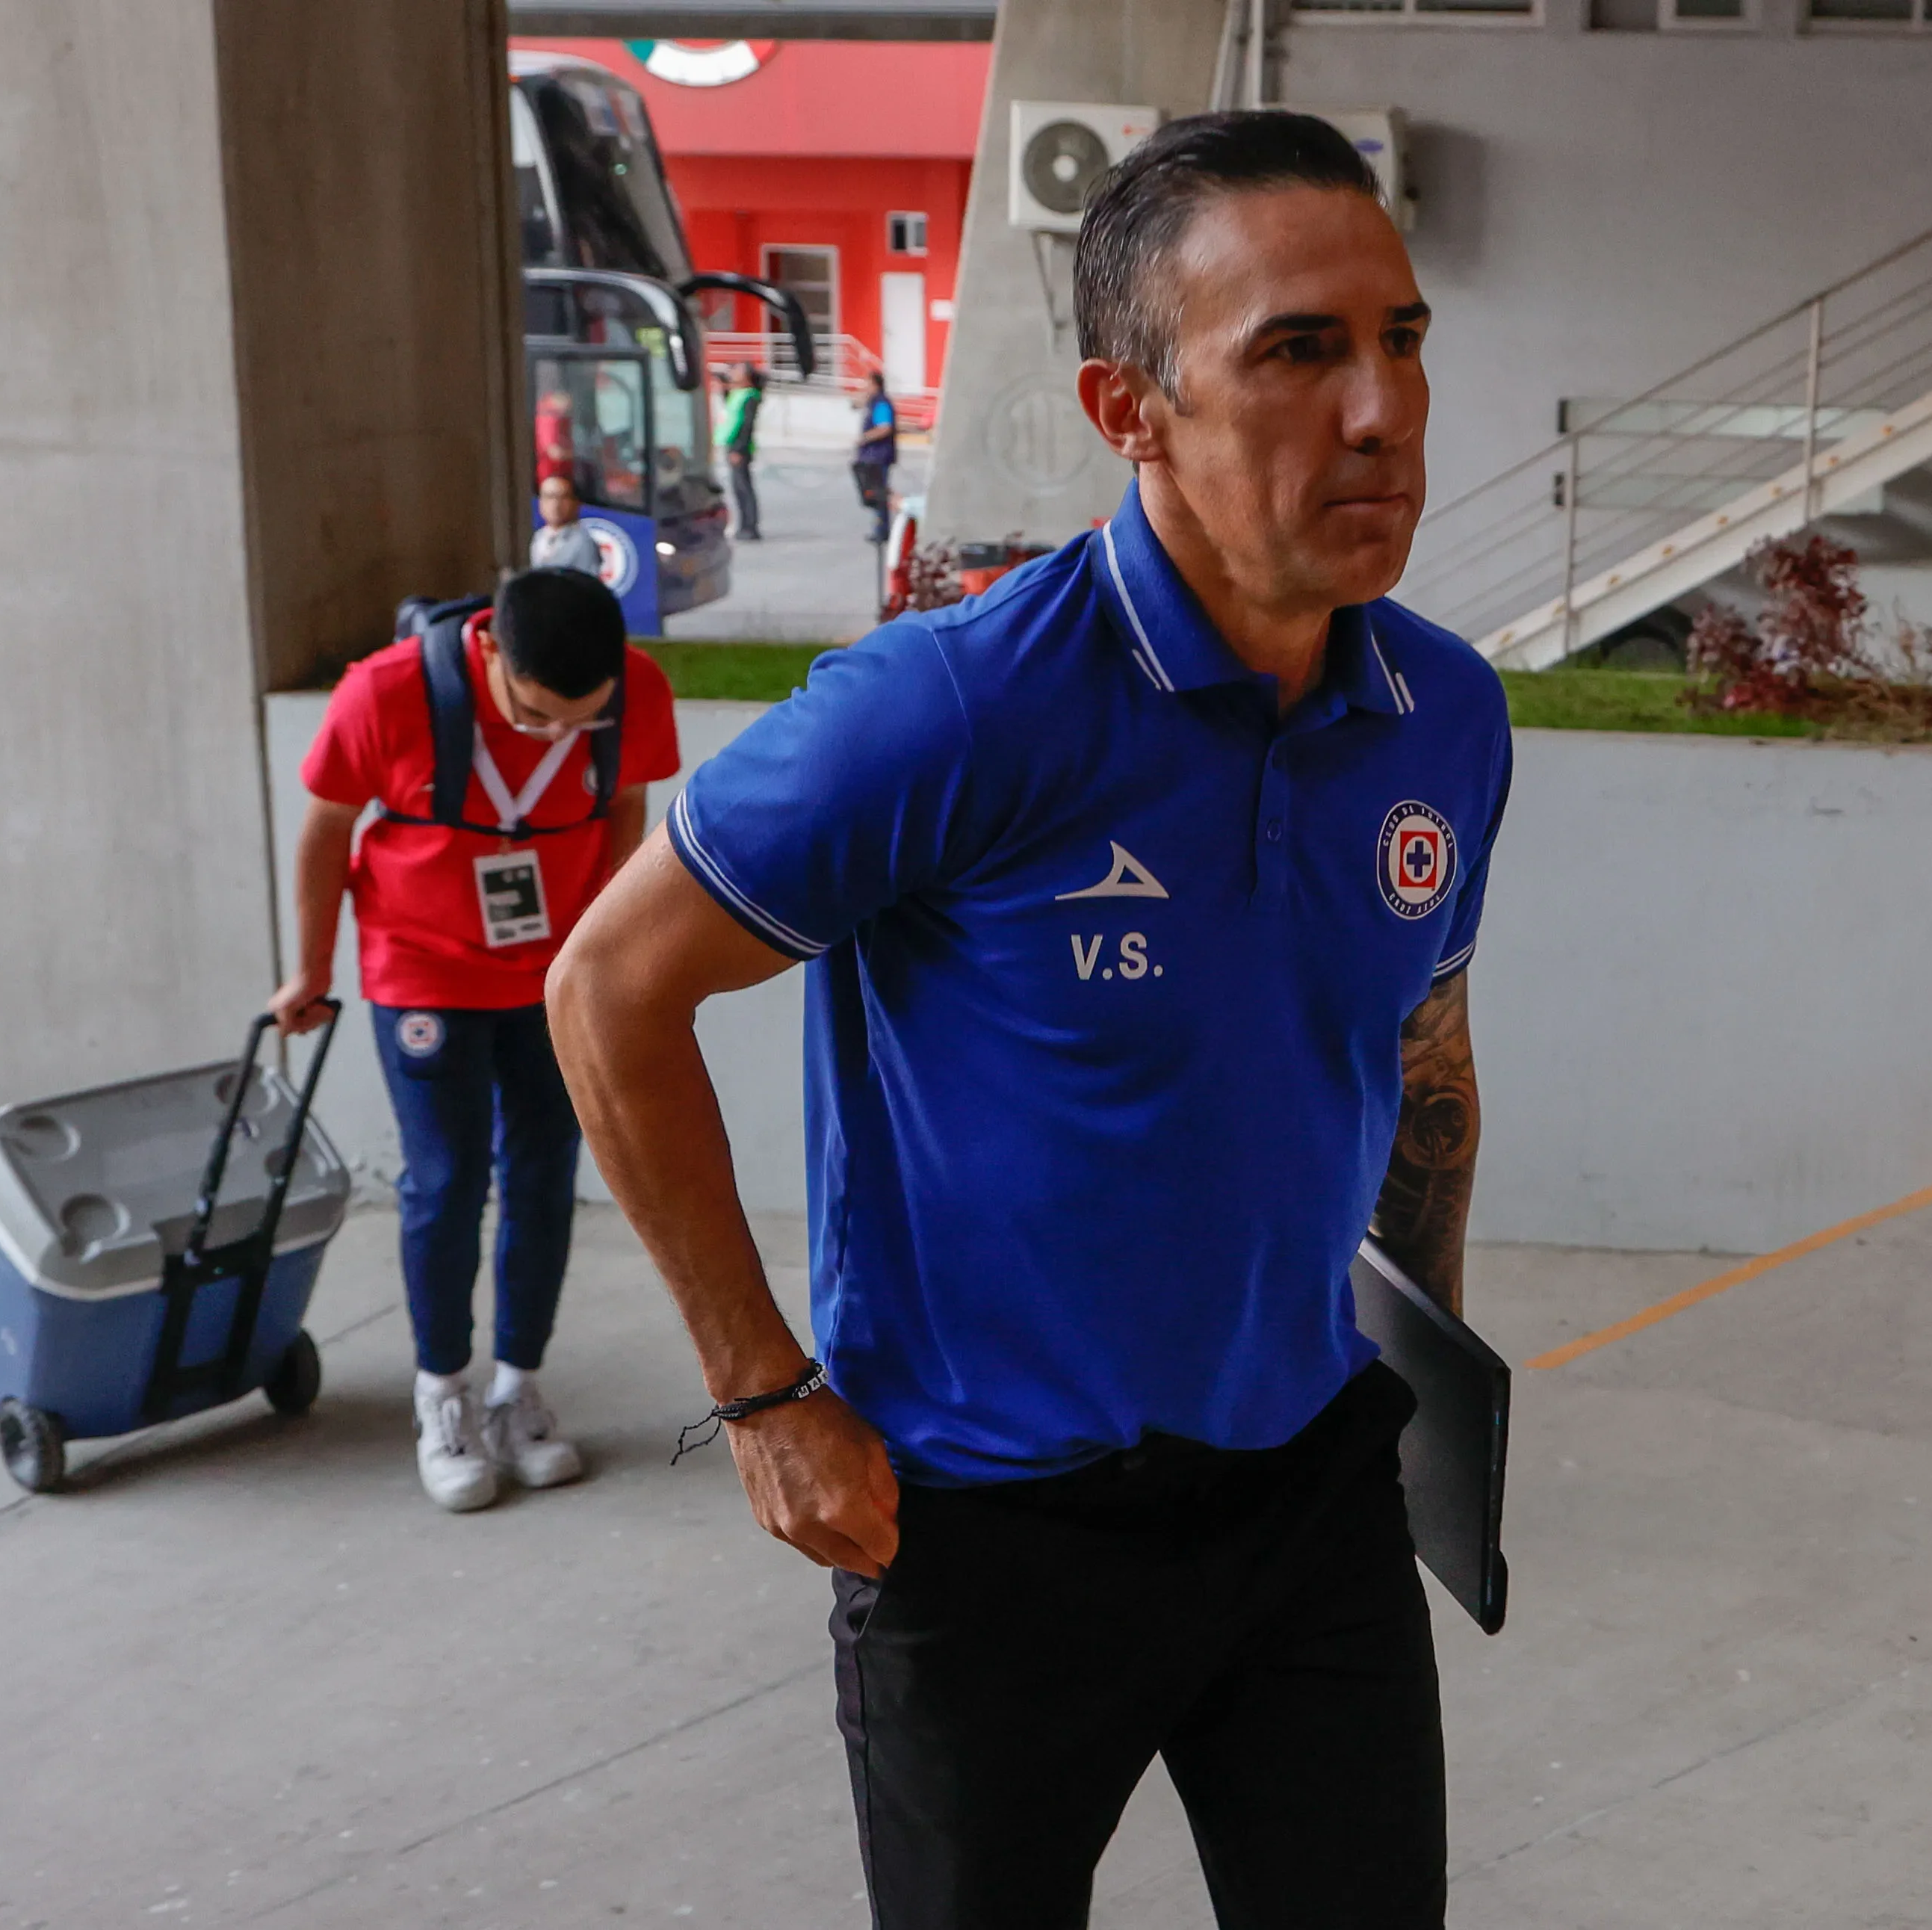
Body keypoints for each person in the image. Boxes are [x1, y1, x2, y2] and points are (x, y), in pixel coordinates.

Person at [548, 111, 1506, 1927]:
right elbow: (605, 986)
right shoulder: (956, 709)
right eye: (1297, 351)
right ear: (1127, 408)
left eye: (1400, 339)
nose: (1380, 410)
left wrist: (1429, 1388)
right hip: (984, 1526)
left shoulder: (1442, 715)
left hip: (1307, 1485)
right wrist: (762, 1393)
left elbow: (1419, 1057)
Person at [272, 569, 681, 1512]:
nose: (557, 737)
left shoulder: (636, 692)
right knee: (446, 1180)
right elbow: (327, 829)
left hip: (553, 975)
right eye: (535, 717)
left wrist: (605, 955)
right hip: (422, 969)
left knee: (543, 1176)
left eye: (583, 720)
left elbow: (624, 806)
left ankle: (517, 1390)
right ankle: (442, 1393)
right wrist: (310, 972)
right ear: (491, 650)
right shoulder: (384, 694)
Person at [714, 362, 764, 541]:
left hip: (740, 447)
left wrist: (738, 449)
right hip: (732, 444)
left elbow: (746, 426)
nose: (734, 373)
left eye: (738, 371)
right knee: (737, 488)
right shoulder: (737, 394)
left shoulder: (750, 396)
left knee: (744, 487)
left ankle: (751, 526)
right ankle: (743, 525)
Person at [852, 368, 898, 542]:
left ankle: (882, 530)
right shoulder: (873, 402)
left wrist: (865, 438)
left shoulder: (881, 404)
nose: (865, 387)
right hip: (873, 456)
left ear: (876, 385)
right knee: (875, 493)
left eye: (868, 384)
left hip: (878, 456)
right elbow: (854, 404)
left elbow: (885, 428)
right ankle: (880, 528)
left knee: (879, 494)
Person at [529, 474, 598, 574]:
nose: (556, 504)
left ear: (575, 503)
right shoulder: (539, 537)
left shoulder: (583, 541)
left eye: (563, 497)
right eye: (549, 497)